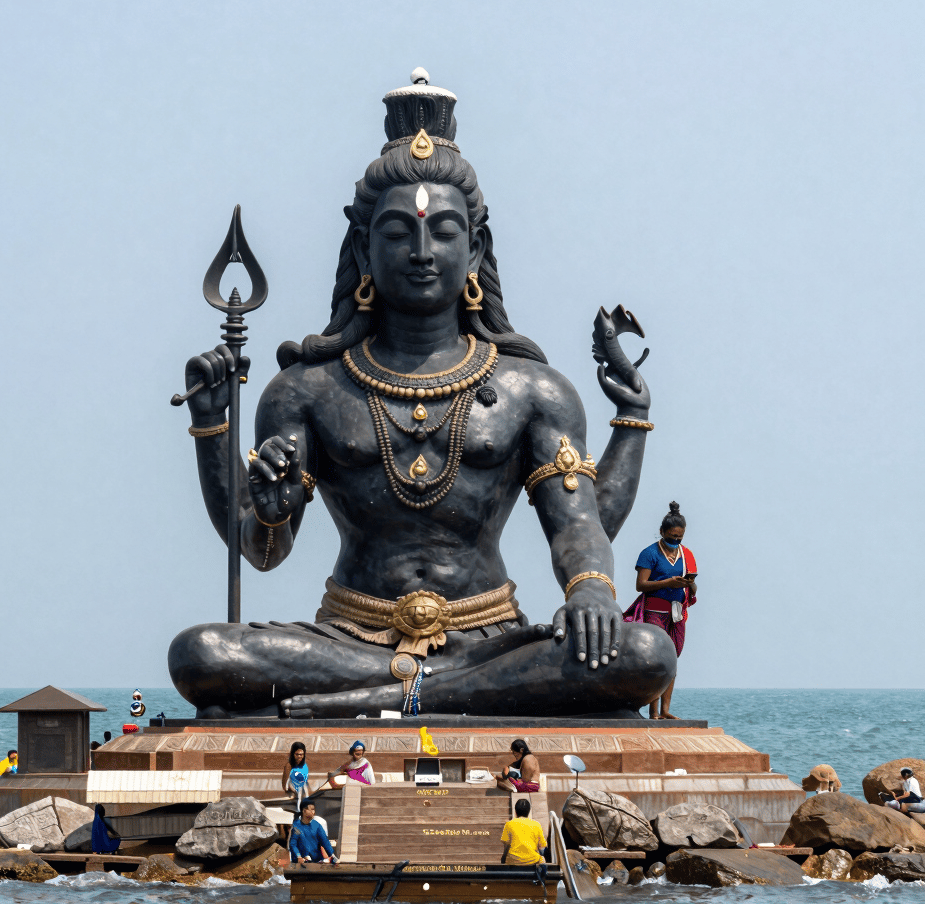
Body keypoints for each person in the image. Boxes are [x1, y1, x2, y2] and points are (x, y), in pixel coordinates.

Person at [169, 69, 677, 719]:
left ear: (475, 248)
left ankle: (396, 697)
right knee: (204, 653)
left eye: (441, 230)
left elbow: (578, 525)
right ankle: (436, 693)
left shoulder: (532, 390)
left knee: (642, 652)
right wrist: (228, 455)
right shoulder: (306, 390)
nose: (420, 250)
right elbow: (262, 552)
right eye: (396, 233)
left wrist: (592, 593)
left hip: (488, 637)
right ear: (362, 246)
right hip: (350, 641)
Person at [626, 502, 697, 719]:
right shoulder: (649, 554)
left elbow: (693, 587)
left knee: (672, 659)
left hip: (676, 612)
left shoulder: (687, 555)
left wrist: (688, 584)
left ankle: (665, 710)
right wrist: (667, 583)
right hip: (654, 611)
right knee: (657, 659)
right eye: (672, 536)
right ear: (662, 532)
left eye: (679, 538)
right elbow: (641, 585)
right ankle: (653, 711)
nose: (676, 541)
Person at [501, 799, 547, 865]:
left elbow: (506, 846)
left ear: (515, 812)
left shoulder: (509, 824)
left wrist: (503, 859)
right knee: (542, 859)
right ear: (528, 812)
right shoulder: (536, 825)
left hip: (513, 861)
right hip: (532, 860)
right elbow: (542, 846)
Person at [283, 741, 310, 806]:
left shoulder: (304, 766)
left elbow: (306, 781)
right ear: (293, 754)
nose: (299, 756)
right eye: (297, 754)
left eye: (301, 754)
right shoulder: (289, 766)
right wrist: (294, 792)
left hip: (304, 794)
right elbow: (285, 784)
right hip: (293, 796)